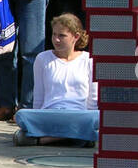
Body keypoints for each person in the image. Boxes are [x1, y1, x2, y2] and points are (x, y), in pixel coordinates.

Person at [12, 13, 98, 146]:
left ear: (76, 36)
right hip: (51, 114)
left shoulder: (89, 60)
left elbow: (93, 98)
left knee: (99, 117)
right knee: (22, 115)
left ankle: (44, 140)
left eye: (62, 36)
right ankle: (79, 136)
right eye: (54, 35)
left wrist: (90, 118)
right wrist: (37, 118)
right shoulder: (42, 58)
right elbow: (39, 97)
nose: (56, 40)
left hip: (78, 115)